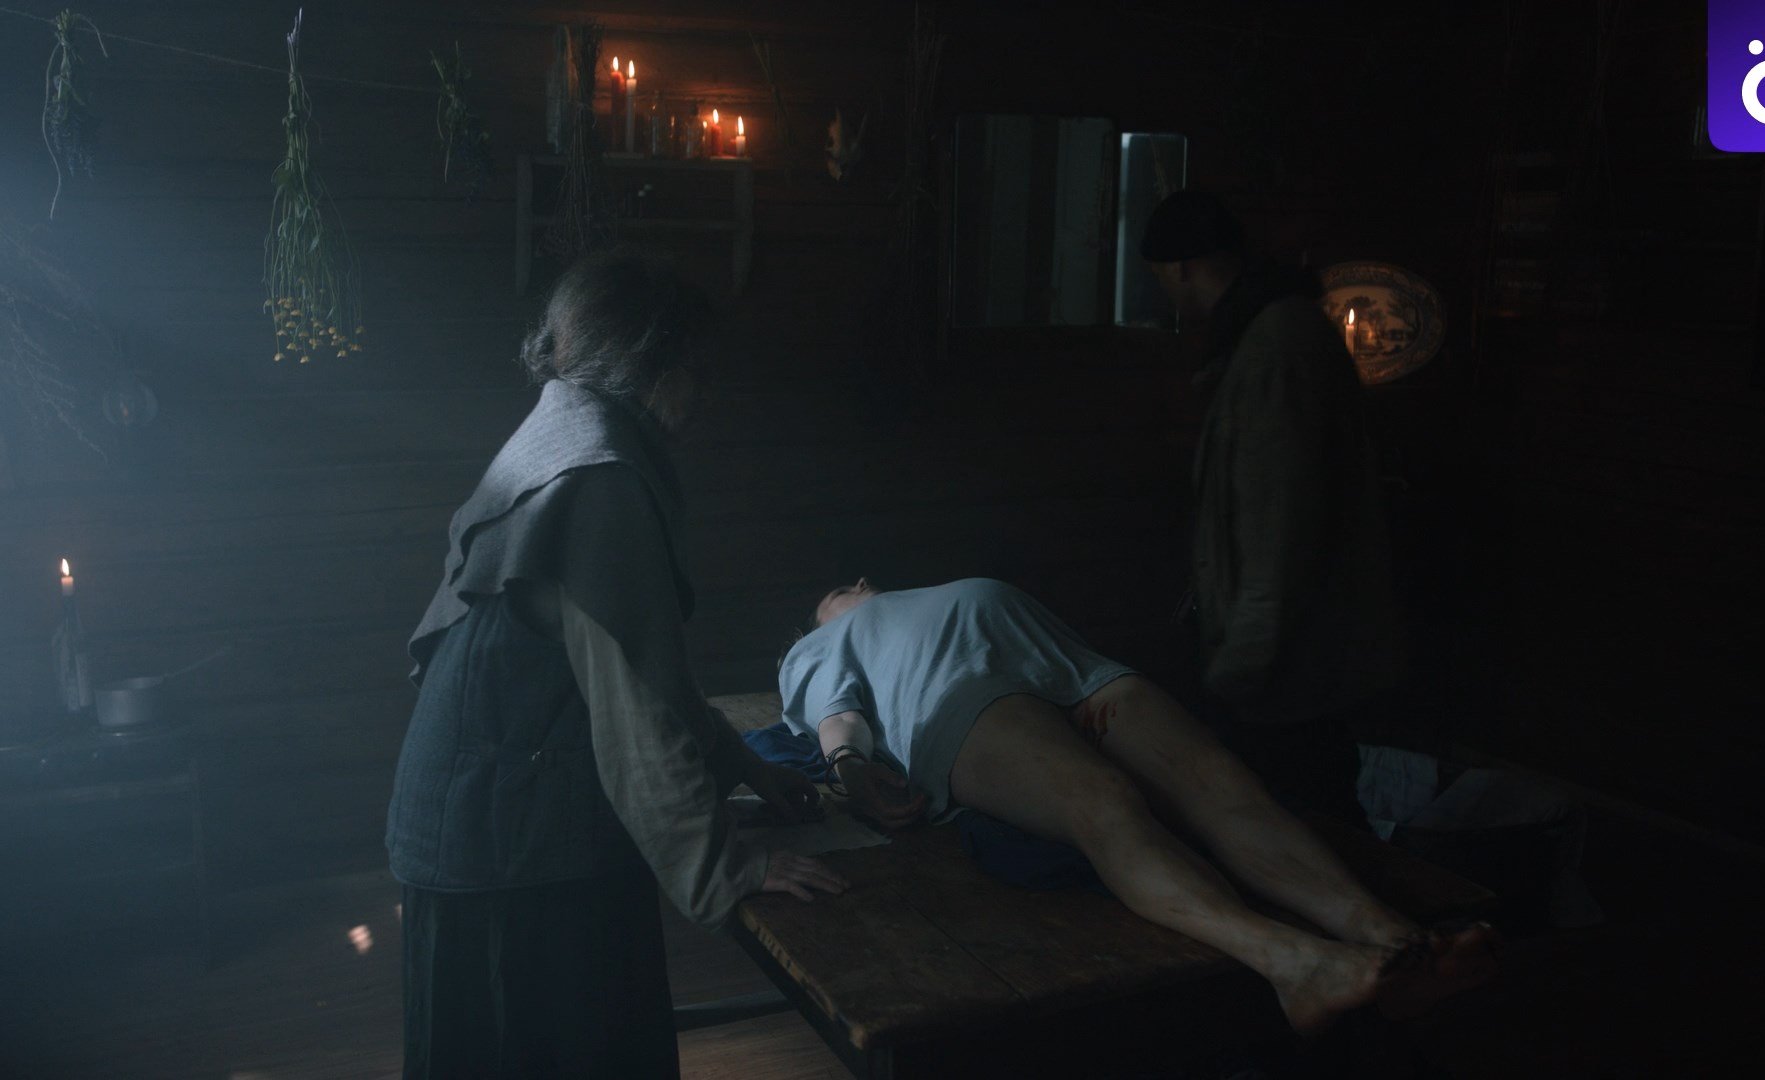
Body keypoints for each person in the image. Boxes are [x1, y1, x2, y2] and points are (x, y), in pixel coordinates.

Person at [386, 251, 848, 1078]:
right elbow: (637, 710)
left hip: (486, 825)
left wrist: (744, 766)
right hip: (510, 854)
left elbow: (641, 673)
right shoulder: (599, 478)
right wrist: (726, 869)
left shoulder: (561, 434)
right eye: (695, 368)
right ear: (650, 366)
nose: (704, 392)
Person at [779, 576, 1495, 1035]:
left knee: (1222, 783)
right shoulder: (818, 647)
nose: (856, 585)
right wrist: (850, 767)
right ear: (817, 624)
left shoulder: (933, 593)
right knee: (1103, 799)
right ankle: (1293, 965)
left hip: (1072, 670)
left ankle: (1395, 940)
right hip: (958, 697)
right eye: (836, 591)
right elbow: (838, 718)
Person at [1143, 190, 1407, 826]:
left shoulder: (1276, 345)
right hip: (1290, 657)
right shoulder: (1266, 334)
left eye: (1160, 278)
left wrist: (1240, 666)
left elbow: (1279, 524)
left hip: (1290, 667)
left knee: (1302, 814)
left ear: (1182, 268)